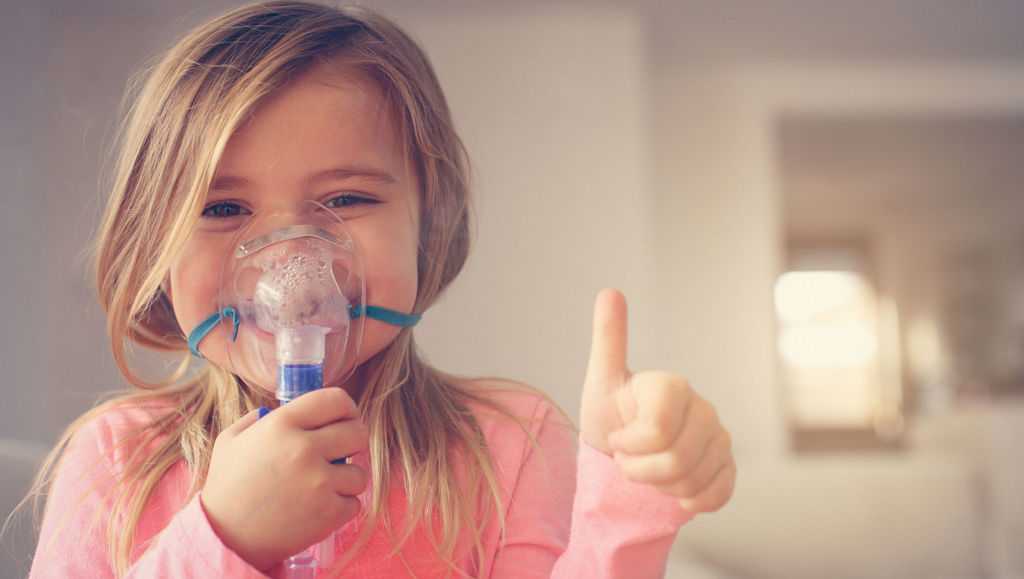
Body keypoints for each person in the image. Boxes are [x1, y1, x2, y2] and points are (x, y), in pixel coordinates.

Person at [27, 2, 736, 577]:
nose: (291, 259)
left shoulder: (509, 447)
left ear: (430, 225)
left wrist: (631, 493)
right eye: (222, 209)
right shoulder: (116, 461)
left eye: (345, 199)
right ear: (155, 244)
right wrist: (223, 540)